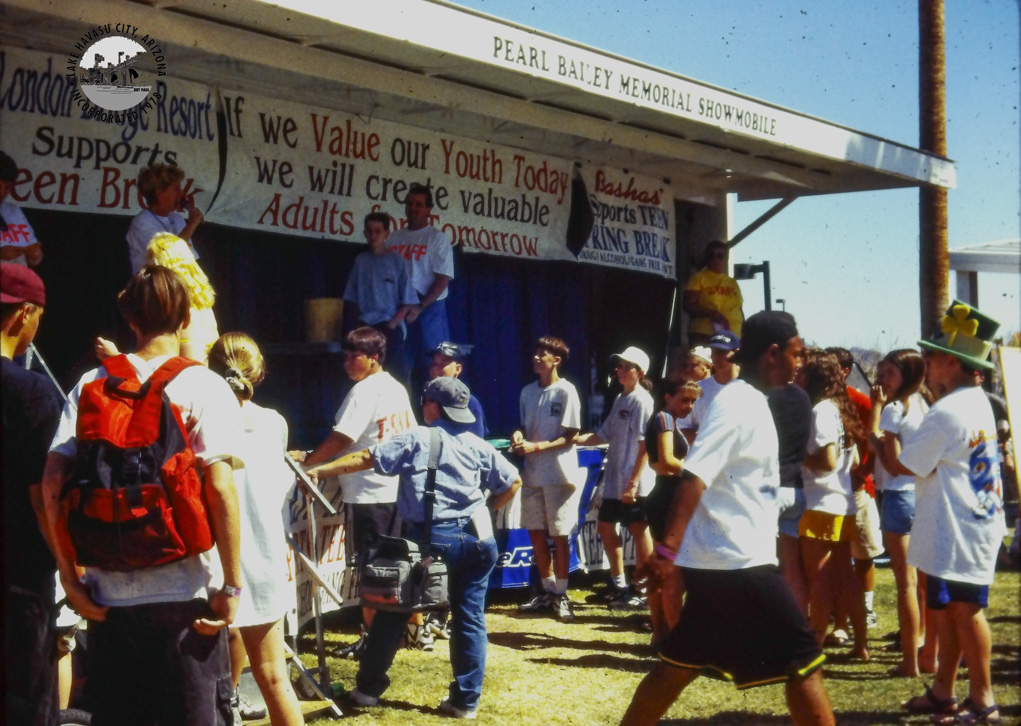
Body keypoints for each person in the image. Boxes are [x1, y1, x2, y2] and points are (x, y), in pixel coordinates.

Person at [42, 265, 244, 725]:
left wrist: (71, 580)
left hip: (109, 604)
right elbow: (220, 485)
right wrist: (231, 586)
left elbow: (53, 482)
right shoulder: (204, 386)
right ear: (185, 319)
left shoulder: (92, 383)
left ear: (130, 318)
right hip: (188, 600)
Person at [619, 311, 833, 726]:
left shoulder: (751, 401)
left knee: (675, 666)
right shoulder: (737, 404)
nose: (800, 361)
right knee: (805, 663)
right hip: (738, 564)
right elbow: (695, 475)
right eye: (796, 352)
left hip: (724, 562)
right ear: (773, 354)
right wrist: (666, 551)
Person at [305, 377, 521, 719]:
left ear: (433, 406)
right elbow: (513, 482)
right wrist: (488, 507)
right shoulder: (478, 444)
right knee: (470, 618)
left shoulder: (419, 437)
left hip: (433, 539)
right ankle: (465, 702)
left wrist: (320, 470)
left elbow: (365, 457)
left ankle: (367, 690)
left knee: (395, 609)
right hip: (480, 539)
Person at [894, 302, 1004, 725]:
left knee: (965, 611)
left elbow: (909, 463)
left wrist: (885, 439)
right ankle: (944, 691)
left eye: (934, 355)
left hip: (961, 525)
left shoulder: (947, 410)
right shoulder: (973, 401)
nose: (928, 362)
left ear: (953, 364)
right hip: (967, 520)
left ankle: (984, 702)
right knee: (953, 609)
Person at [289, 327, 418, 652]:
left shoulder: (365, 391)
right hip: (396, 493)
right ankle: (414, 634)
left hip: (371, 496)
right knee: (399, 568)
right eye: (345, 356)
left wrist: (310, 464)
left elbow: (342, 437)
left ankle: (371, 641)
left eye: (354, 356)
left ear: (373, 358)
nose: (347, 363)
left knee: (372, 571)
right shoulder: (396, 388)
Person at [208, 333, 303, 726]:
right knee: (273, 675)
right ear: (259, 371)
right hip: (263, 557)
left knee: (205, 687)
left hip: (213, 563)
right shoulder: (274, 423)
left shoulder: (198, 418)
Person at [2, 263, 62, 725]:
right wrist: (73, 570)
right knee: (23, 699)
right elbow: (44, 496)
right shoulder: (31, 394)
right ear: (24, 315)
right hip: (19, 576)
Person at [796, 349, 869, 661]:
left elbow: (826, 460)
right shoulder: (838, 408)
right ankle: (861, 645)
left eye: (802, 372)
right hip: (841, 503)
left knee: (820, 578)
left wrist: (793, 456)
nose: (796, 376)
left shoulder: (821, 411)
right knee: (845, 576)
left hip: (821, 504)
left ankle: (815, 642)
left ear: (814, 377)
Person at [577, 346, 655, 609]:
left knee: (639, 531)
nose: (620, 370)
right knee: (605, 525)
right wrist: (568, 439)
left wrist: (633, 483)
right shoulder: (621, 398)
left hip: (635, 483)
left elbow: (645, 446)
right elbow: (602, 435)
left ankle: (644, 590)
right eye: (619, 365)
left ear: (639, 372)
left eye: (626, 366)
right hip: (615, 481)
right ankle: (619, 583)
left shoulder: (642, 400)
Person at [511, 336, 583, 623]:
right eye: (536, 351)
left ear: (557, 360)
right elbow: (523, 425)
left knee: (560, 535)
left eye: (544, 353)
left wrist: (537, 447)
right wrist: (518, 436)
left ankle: (562, 594)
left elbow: (571, 436)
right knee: (536, 534)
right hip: (532, 474)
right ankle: (547, 591)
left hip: (559, 475)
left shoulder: (567, 391)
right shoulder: (527, 392)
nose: (537, 357)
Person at [868, 348, 930, 678]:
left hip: (898, 497)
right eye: (880, 372)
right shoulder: (923, 403)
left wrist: (875, 419)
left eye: (889, 373)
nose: (881, 379)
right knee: (923, 581)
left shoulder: (892, 410)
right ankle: (924, 647)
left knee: (905, 583)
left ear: (906, 376)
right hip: (922, 496)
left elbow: (891, 465)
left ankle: (910, 663)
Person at [97, 232, 220, 363]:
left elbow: (158, 373)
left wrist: (116, 360)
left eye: (150, 261)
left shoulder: (177, 309)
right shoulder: (206, 307)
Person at [643, 375, 700, 645]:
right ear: (668, 397)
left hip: (666, 496)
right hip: (666, 499)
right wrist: (699, 472)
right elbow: (665, 460)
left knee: (661, 568)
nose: (689, 406)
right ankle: (671, 635)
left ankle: (661, 632)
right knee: (669, 569)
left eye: (692, 402)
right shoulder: (664, 419)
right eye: (684, 400)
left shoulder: (668, 421)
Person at [386, 184, 455, 374]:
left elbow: (443, 280)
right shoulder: (394, 238)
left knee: (434, 365)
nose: (413, 208)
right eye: (410, 203)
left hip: (428, 310)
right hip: (401, 309)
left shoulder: (437, 238)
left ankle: (436, 404)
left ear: (428, 210)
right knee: (399, 366)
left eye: (419, 204)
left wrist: (420, 307)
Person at [343, 212, 417, 387]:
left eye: (378, 231)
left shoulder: (396, 261)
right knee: (365, 378)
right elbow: (351, 299)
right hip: (366, 328)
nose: (373, 235)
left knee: (397, 379)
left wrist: (393, 323)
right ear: (365, 233)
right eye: (370, 231)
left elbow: (408, 300)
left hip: (390, 327)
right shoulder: (361, 261)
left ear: (387, 234)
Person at [126, 163, 204, 274]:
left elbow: (190, 261)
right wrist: (191, 225)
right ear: (160, 194)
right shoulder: (142, 222)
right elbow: (166, 256)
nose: (182, 193)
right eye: (176, 189)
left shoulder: (177, 219)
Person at [679, 330, 740, 440]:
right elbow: (682, 426)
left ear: (736, 353)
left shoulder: (751, 391)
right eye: (714, 352)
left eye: (721, 351)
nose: (716, 357)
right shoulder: (698, 390)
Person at [682, 240, 743, 345]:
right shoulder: (699, 277)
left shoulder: (733, 282)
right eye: (712, 256)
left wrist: (744, 332)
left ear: (726, 259)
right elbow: (688, 305)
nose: (716, 259)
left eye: (720, 256)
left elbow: (740, 309)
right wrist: (710, 313)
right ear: (707, 258)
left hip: (733, 336)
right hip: (705, 334)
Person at [428, 341, 488, 439]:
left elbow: (475, 446)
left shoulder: (469, 402)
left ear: (458, 369)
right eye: (434, 363)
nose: (435, 368)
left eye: (443, 363)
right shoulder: (425, 400)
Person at [0, 151, 43, 267]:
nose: (2, 192)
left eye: (7, 187)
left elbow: (33, 258)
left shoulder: (14, 211)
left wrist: (35, 255)